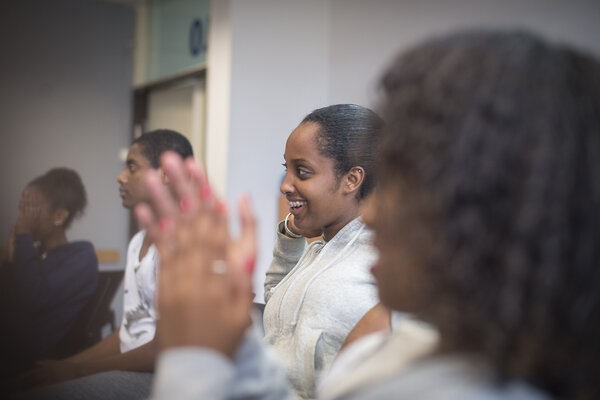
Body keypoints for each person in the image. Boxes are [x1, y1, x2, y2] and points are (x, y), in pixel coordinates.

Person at [140, 29, 600, 400]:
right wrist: (227, 342)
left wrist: (196, 363)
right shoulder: (406, 351)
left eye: (407, 184)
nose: (374, 214)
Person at [15, 130, 194, 400]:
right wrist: (68, 365)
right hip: (136, 368)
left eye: (132, 167)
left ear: (167, 174)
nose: (121, 176)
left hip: (164, 380)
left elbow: (162, 352)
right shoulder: (138, 242)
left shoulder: (182, 244)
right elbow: (129, 332)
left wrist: (77, 371)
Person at [263, 104, 383, 398]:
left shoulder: (379, 265)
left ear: (351, 180)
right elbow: (278, 305)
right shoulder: (321, 248)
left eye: (302, 172)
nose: (286, 186)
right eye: (286, 170)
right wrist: (290, 236)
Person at [0, 168, 98, 377]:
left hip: (39, 365)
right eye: (21, 210)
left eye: (30, 210)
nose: (22, 219)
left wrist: (24, 237)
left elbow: (33, 298)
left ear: (59, 216)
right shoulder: (32, 258)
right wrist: (10, 262)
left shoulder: (81, 255)